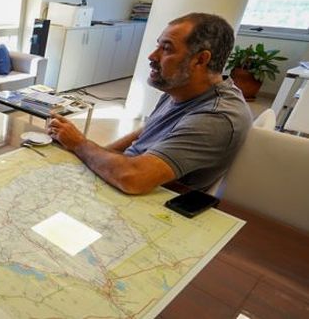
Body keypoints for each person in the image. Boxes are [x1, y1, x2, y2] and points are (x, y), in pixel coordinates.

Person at [47, 13, 252, 195]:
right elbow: (146, 132)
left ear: (200, 60)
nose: (152, 56)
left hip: (153, 200)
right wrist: (93, 152)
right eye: (157, 46)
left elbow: (133, 178)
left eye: (166, 48)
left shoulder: (216, 118)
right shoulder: (180, 89)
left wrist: (80, 144)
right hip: (124, 178)